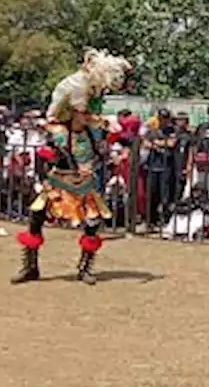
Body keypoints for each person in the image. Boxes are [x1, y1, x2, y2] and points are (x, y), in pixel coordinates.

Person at [11, 49, 131, 285]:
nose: (86, 115)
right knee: (36, 215)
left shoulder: (89, 132)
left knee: (93, 221)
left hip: (82, 177)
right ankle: (30, 267)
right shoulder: (59, 131)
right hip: (60, 177)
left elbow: (99, 139)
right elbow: (54, 143)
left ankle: (85, 268)